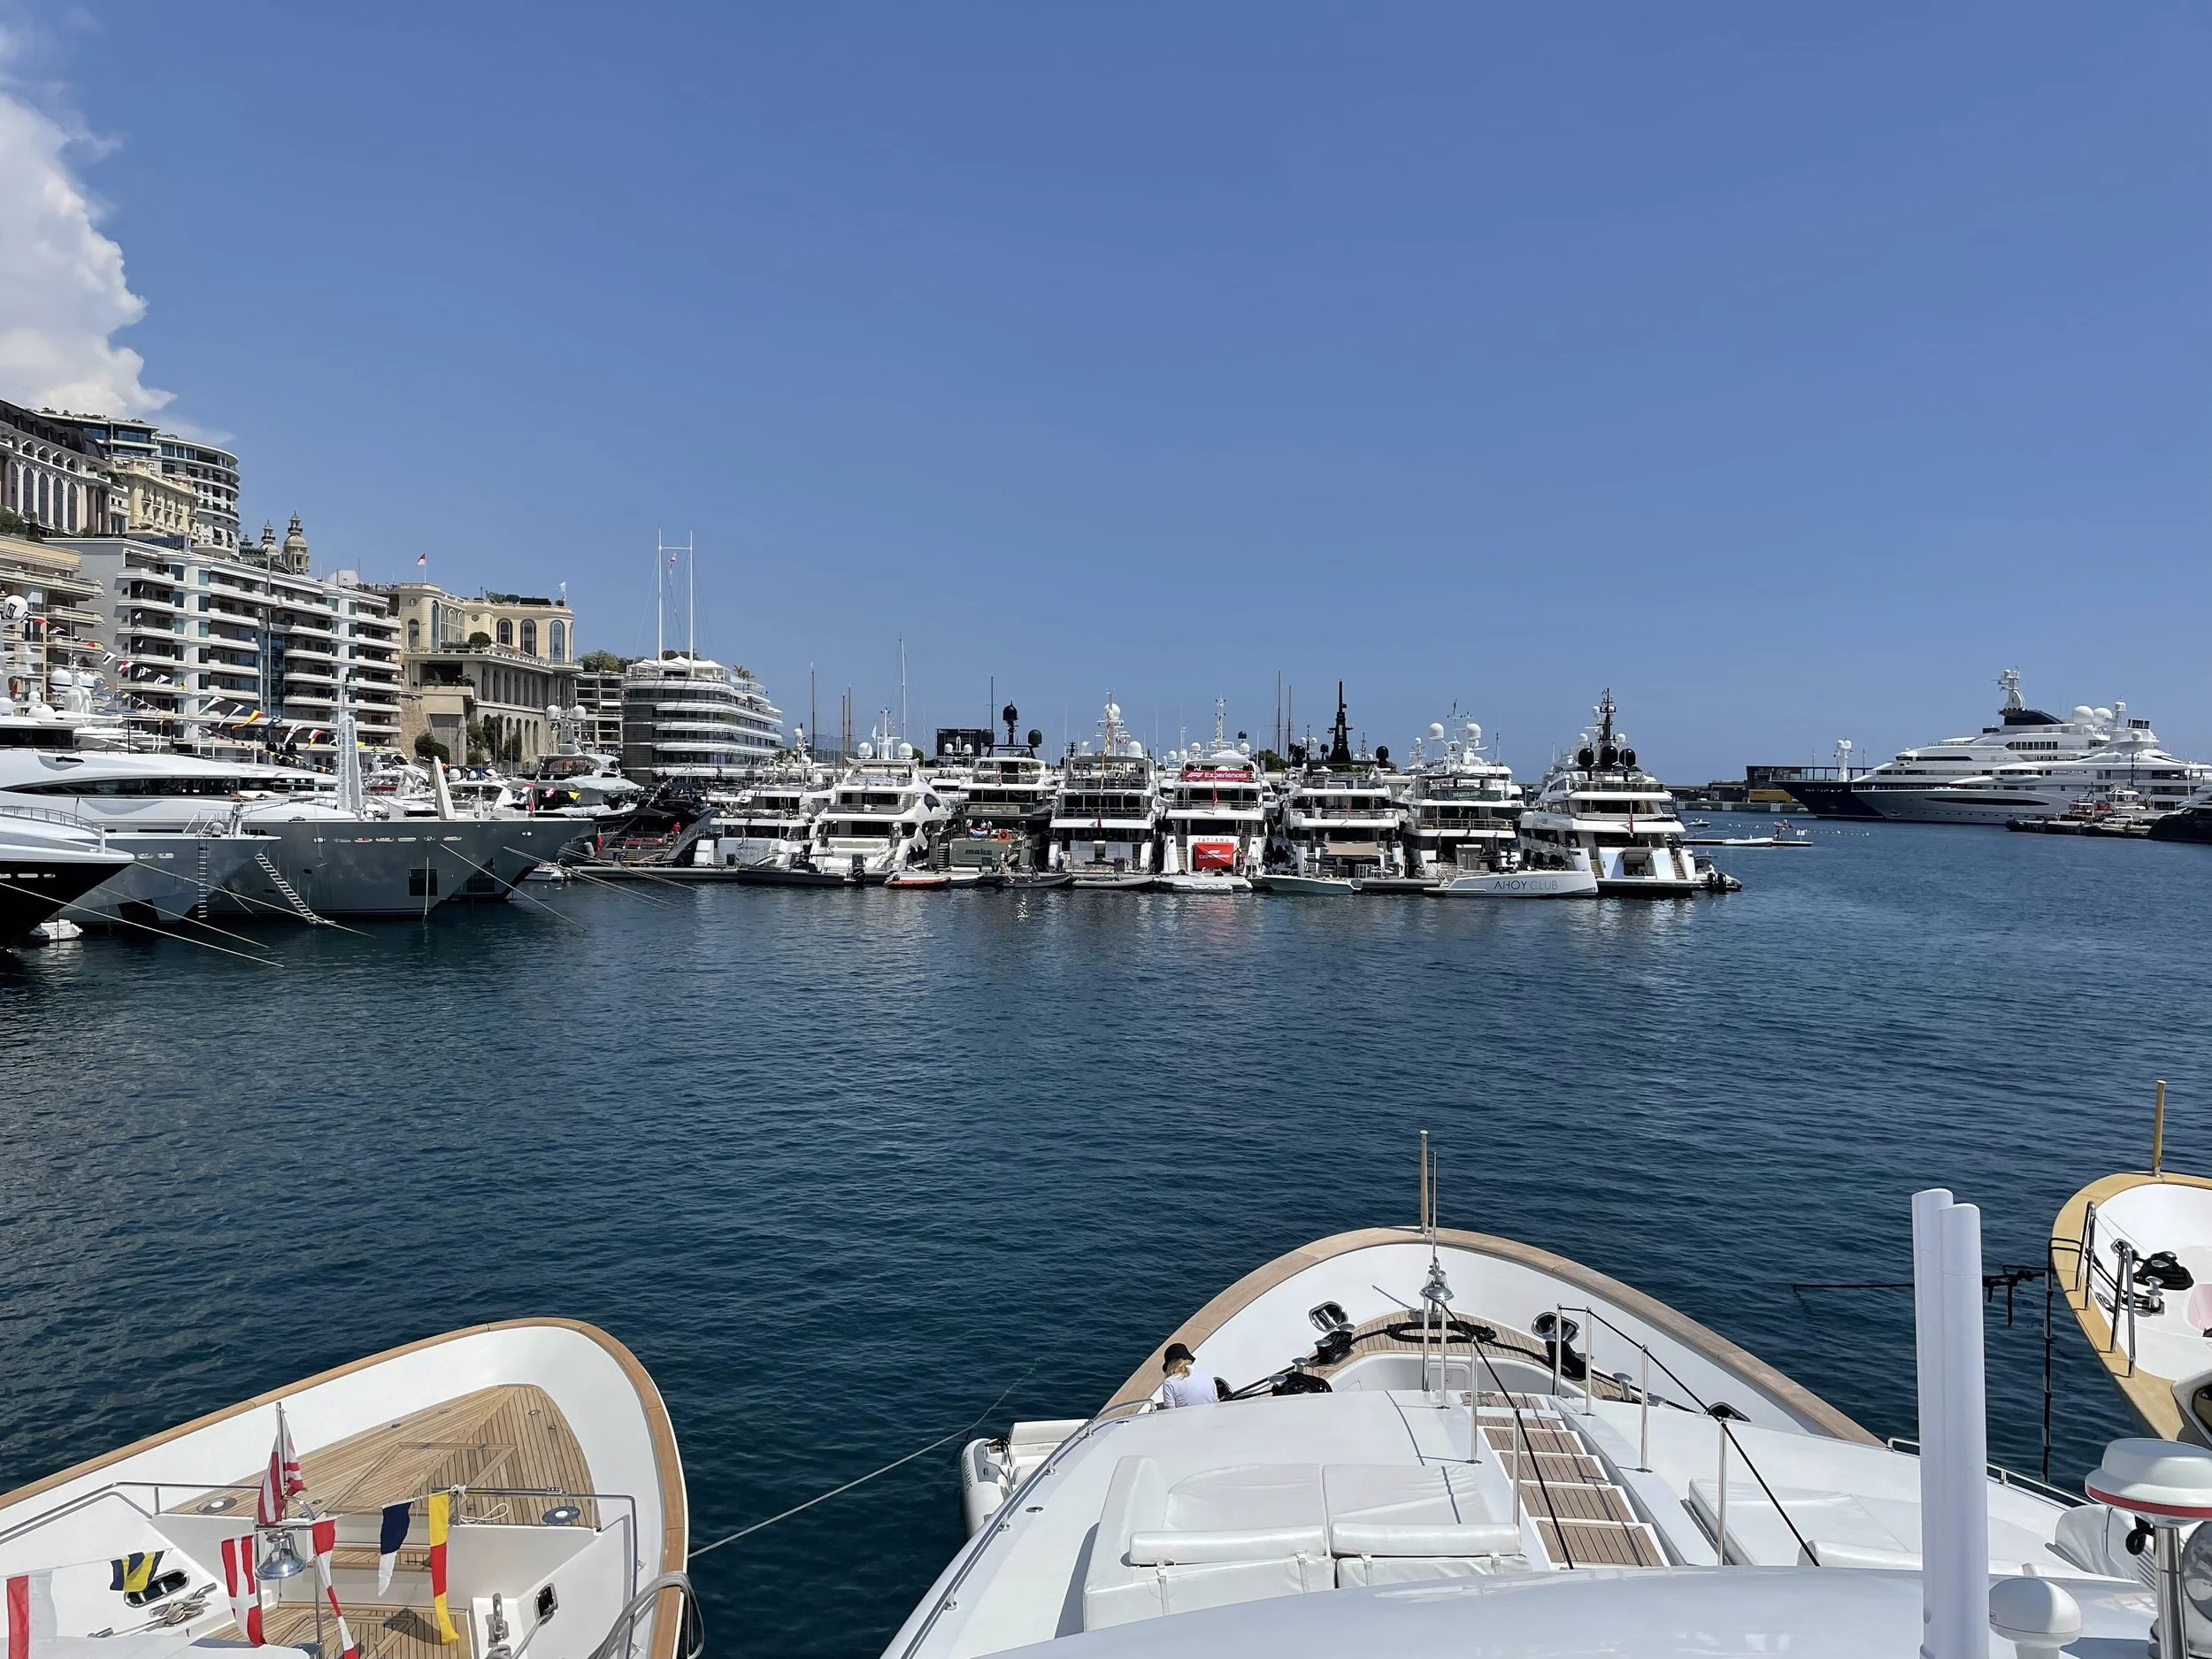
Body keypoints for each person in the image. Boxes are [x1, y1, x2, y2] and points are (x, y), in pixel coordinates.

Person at [1159, 1342, 1216, 1409]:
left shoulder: (1169, 1382)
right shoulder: (1207, 1377)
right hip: (1210, 1418)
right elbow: (1215, 1403)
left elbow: (1170, 1411)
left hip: (1186, 1419)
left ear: (1170, 1365)